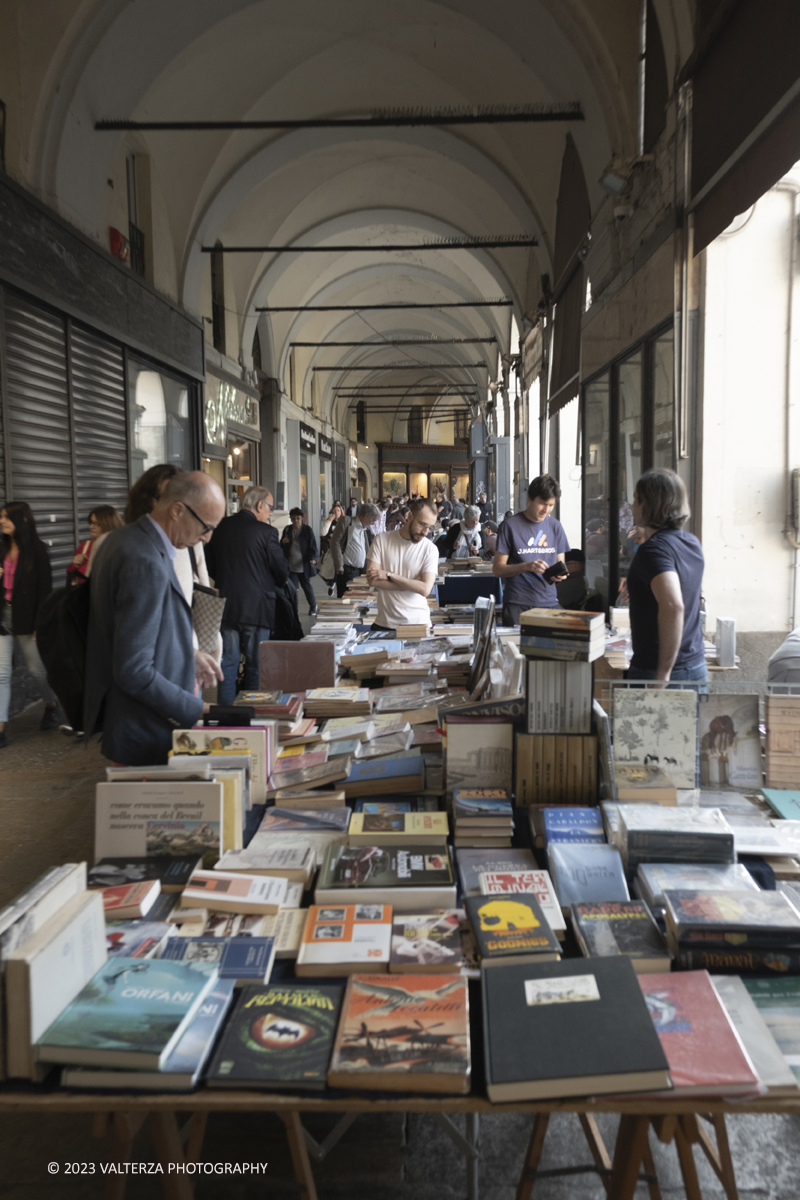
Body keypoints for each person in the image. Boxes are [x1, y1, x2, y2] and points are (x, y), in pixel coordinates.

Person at [84, 473, 226, 765]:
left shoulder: (124, 539)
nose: (207, 538)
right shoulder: (143, 559)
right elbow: (133, 669)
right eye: (206, 527)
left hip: (134, 723)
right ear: (177, 510)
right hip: (145, 729)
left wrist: (188, 653)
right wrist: (196, 708)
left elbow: (138, 631)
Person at [205, 486, 290, 705]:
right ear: (260, 505)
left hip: (225, 606)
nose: (270, 513)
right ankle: (250, 715)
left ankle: (226, 717)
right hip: (257, 607)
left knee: (228, 663)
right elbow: (281, 570)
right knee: (255, 666)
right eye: (270, 508)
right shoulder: (266, 532)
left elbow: (210, 565)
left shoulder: (220, 527)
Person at [626, 468, 706, 683]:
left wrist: (662, 676)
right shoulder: (691, 542)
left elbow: (673, 606)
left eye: (636, 499)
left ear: (648, 504)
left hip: (658, 672)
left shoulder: (653, 550)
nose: (633, 506)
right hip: (695, 664)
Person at [0, 502, 61, 747]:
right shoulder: (1, 548)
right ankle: (1, 728)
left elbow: (44, 590)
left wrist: (40, 623)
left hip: (29, 618)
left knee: (36, 669)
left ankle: (51, 704)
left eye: (5, 517)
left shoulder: (37, 551)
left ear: (22, 520)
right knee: (1, 673)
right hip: (3, 616)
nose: (1, 521)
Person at [493, 474, 570, 626]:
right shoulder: (510, 526)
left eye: (551, 505)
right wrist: (527, 566)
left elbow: (561, 564)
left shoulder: (555, 526)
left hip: (549, 602)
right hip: (518, 603)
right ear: (529, 498)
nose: (546, 510)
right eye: (542, 504)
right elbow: (497, 570)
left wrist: (559, 575)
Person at [366, 498, 439, 632]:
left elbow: (424, 590)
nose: (425, 532)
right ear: (410, 515)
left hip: (419, 624)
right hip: (385, 623)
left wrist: (389, 575)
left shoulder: (430, 549)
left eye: (430, 527)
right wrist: (412, 584)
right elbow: (372, 580)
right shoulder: (381, 540)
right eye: (422, 524)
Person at [330, 502, 379, 598]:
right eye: (373, 520)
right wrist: (339, 564)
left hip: (359, 571)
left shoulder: (364, 529)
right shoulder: (346, 521)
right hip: (346, 570)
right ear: (366, 516)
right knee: (345, 599)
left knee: (357, 599)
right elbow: (334, 542)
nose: (373, 523)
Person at [67, 505, 123, 585]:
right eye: (91, 522)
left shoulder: (118, 548)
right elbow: (70, 574)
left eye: (96, 524)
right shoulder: (85, 546)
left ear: (108, 524)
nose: (91, 526)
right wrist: (74, 565)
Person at [280, 508, 319, 617]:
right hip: (291, 566)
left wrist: (313, 558)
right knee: (292, 590)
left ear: (302, 518)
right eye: (293, 519)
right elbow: (281, 546)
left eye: (298, 518)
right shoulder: (287, 530)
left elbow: (313, 547)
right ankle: (293, 609)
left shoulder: (307, 530)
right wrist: (282, 542)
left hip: (304, 565)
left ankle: (313, 607)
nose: (296, 521)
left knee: (307, 587)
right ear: (291, 519)